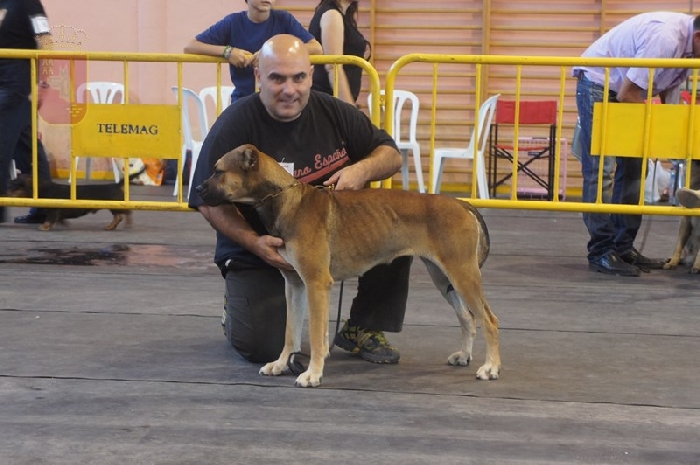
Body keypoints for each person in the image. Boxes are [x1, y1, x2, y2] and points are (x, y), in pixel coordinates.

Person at [189, 34, 412, 365]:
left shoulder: (334, 112)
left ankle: (363, 326)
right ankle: (236, 309)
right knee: (263, 347)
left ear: (311, 75)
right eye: (277, 78)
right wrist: (254, 243)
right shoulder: (235, 124)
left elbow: (390, 154)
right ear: (258, 77)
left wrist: (361, 169)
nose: (289, 89)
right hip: (260, 252)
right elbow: (207, 201)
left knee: (400, 231)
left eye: (298, 78)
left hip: (326, 241)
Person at [572, 12, 700, 277]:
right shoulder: (666, 38)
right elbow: (627, 93)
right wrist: (655, 128)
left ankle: (623, 247)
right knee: (601, 171)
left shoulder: (689, 48)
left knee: (636, 169)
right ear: (698, 37)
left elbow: (667, 87)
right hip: (600, 84)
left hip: (626, 90)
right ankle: (602, 250)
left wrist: (666, 132)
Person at [183, 0, 322, 104]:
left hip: (278, 100)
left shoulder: (284, 19)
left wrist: (271, 52)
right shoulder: (233, 22)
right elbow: (191, 46)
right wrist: (227, 51)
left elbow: (316, 48)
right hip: (243, 99)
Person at [0, 0, 53, 224]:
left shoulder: (27, 2)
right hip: (7, 80)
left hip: (17, 81)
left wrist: (44, 81)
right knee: (27, 146)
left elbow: (46, 41)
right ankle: (45, 207)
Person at [308, 0, 369, 104]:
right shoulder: (332, 15)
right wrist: (349, 109)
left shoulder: (343, 16)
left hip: (334, 101)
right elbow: (334, 68)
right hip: (328, 102)